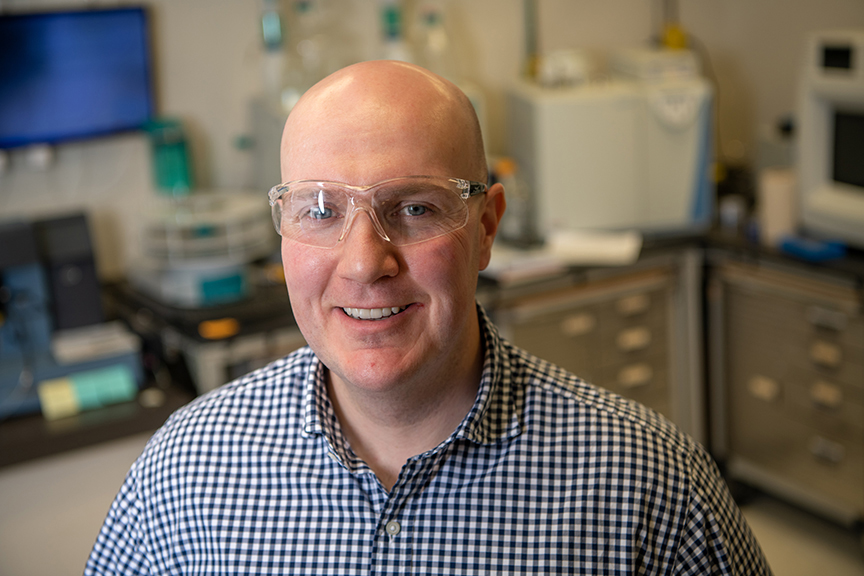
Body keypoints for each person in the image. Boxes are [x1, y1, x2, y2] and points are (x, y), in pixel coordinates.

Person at [86, 60, 771, 575]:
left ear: (485, 227)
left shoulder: (649, 486)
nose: (363, 263)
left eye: (414, 207)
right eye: (320, 210)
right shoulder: (184, 475)